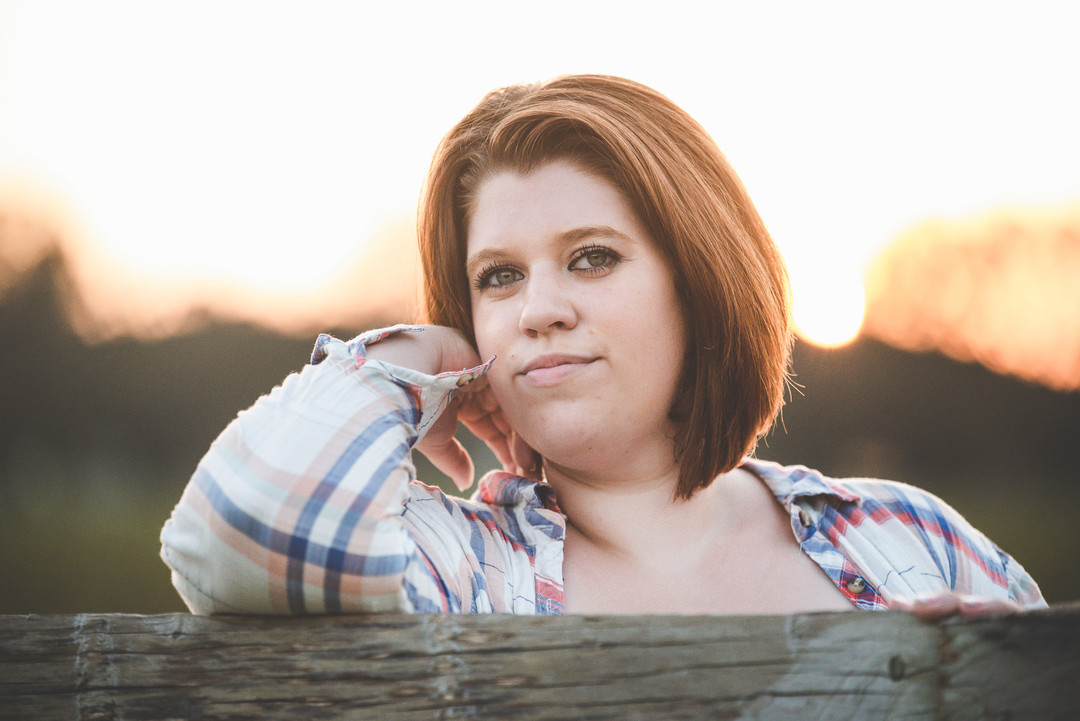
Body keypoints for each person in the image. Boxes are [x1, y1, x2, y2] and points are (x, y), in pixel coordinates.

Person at [160, 74, 1045, 617]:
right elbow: (232, 536)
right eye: (499, 276)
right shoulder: (456, 567)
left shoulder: (908, 540)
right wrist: (413, 357)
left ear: (698, 284)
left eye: (591, 257)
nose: (538, 309)